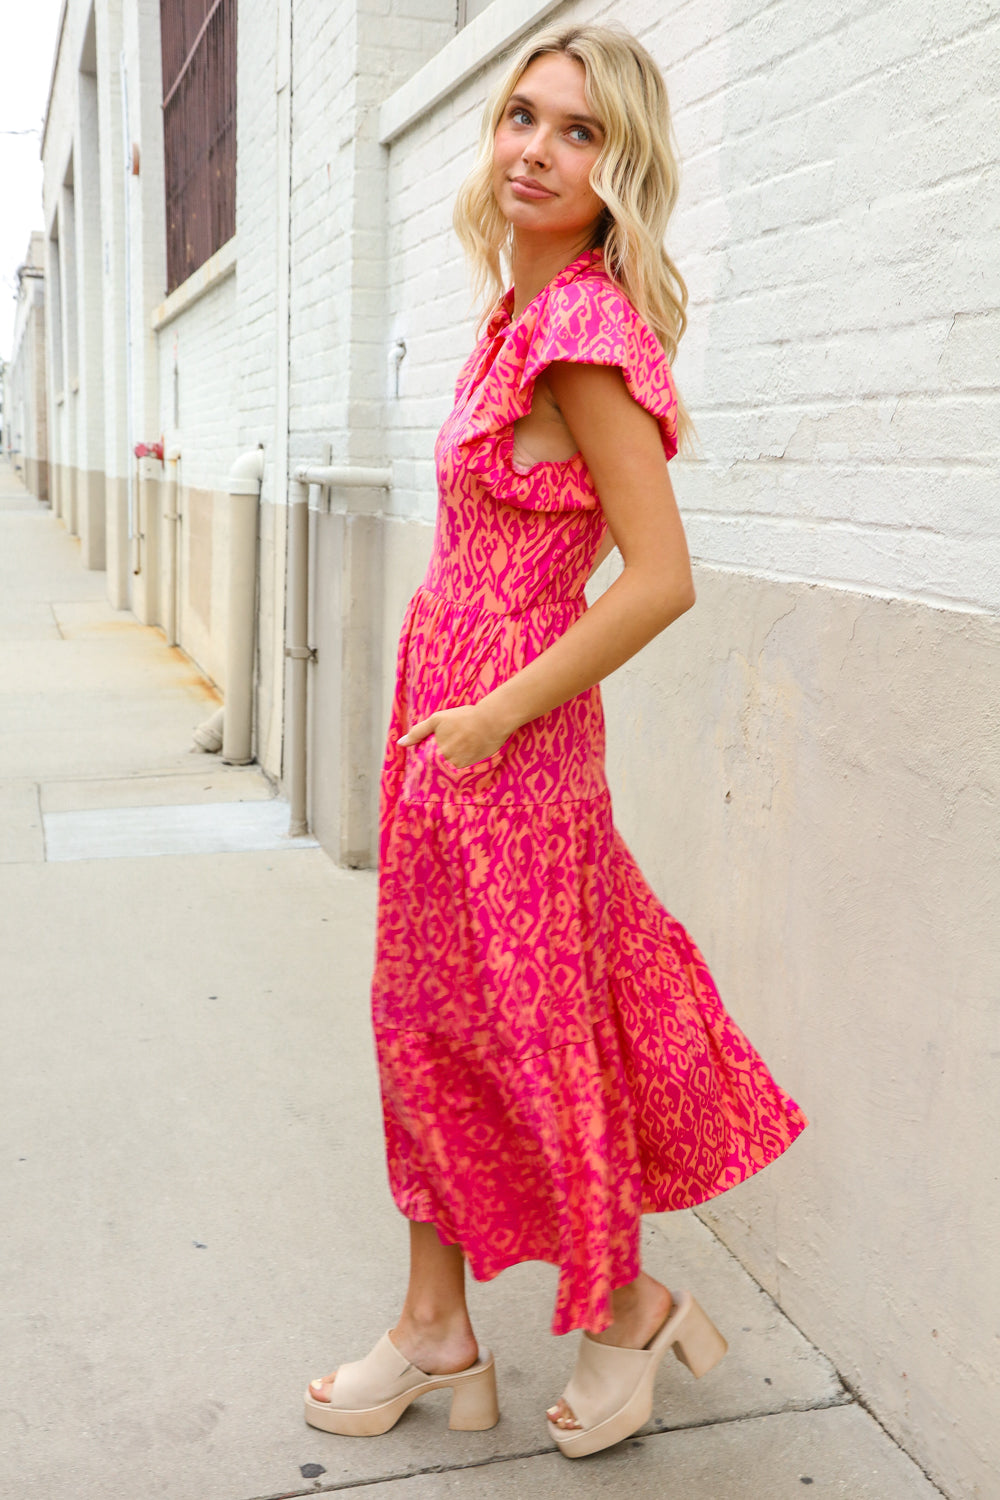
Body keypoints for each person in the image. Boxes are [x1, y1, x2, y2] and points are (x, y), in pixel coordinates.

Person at [304, 23, 807, 1459]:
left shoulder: (582, 331)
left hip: (505, 743)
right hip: (454, 726)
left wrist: (494, 714)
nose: (533, 148)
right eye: (522, 116)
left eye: (577, 133)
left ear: (619, 170)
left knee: (537, 1037)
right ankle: (437, 1324)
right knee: (430, 1024)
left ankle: (624, 1309)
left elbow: (660, 575)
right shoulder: (513, 314)